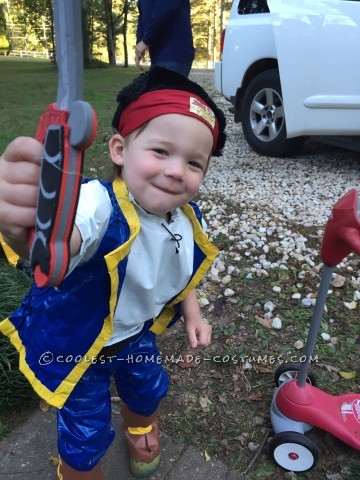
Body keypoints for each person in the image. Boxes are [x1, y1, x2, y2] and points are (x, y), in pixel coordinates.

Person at [0, 67, 226, 480]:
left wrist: (193, 313)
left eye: (194, 162)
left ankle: (141, 428)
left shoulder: (186, 218)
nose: (177, 170)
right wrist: (35, 230)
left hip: (136, 336)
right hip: (80, 349)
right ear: (120, 150)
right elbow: (59, 245)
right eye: (161, 151)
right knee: (84, 430)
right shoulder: (98, 205)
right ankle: (80, 471)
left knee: (147, 389)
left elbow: (182, 272)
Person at [135, 0, 195, 77]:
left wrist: (145, 41)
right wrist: (139, 45)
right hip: (157, 55)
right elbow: (142, 14)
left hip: (174, 54)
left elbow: (164, 10)